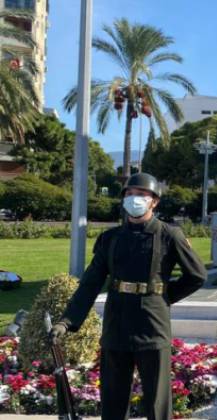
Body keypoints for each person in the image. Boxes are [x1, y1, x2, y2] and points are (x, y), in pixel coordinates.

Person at [49, 173, 207, 420]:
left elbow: (197, 275)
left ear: (154, 201)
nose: (135, 199)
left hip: (152, 324)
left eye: (142, 195)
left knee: (157, 401)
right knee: (113, 398)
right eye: (130, 194)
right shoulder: (110, 239)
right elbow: (91, 283)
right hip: (117, 323)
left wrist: (162, 297)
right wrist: (67, 321)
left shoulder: (169, 235)